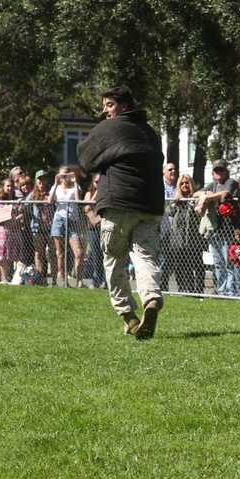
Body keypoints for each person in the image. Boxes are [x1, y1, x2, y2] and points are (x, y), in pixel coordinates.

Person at [77, 85, 165, 339]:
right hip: (150, 206)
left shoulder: (111, 127)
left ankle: (129, 316)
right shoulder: (150, 132)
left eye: (109, 105)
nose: (104, 110)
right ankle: (151, 298)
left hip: (119, 205)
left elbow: (85, 158)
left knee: (114, 260)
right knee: (145, 257)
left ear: (124, 106)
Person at [193, 159, 239, 296]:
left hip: (228, 229)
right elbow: (195, 194)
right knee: (218, 264)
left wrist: (210, 196)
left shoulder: (230, 182)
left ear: (226, 171)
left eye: (221, 170)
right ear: (213, 173)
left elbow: (226, 193)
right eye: (216, 170)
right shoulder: (211, 185)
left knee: (229, 262)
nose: (218, 172)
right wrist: (206, 195)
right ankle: (221, 289)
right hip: (214, 231)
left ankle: (231, 290)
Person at [164, 173, 205, 293]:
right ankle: (185, 289)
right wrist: (175, 203)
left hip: (194, 239)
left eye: (187, 183)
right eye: (182, 183)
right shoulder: (178, 200)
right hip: (179, 240)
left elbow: (200, 213)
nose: (185, 185)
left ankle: (198, 290)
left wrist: (192, 204)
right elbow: (168, 212)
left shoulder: (195, 198)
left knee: (198, 266)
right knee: (182, 266)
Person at [48, 166, 85, 287]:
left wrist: (76, 181)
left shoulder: (75, 187)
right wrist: (55, 183)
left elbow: (78, 200)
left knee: (78, 252)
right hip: (59, 219)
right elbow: (50, 201)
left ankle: (79, 281)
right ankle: (63, 281)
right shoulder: (57, 188)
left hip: (72, 220)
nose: (65, 178)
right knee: (60, 253)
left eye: (67, 175)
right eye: (62, 176)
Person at [27, 170, 55, 286]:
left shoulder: (50, 192)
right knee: (39, 254)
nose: (41, 181)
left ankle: (54, 281)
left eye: (44, 179)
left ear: (47, 180)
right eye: (39, 179)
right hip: (37, 229)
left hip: (51, 228)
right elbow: (25, 204)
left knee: (52, 254)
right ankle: (40, 279)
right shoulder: (33, 193)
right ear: (36, 181)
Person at [0, 178, 24, 283]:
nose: (9, 188)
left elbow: (22, 213)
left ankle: (17, 278)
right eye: (7, 186)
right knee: (3, 256)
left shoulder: (18, 200)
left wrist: (21, 214)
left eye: (11, 186)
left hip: (15, 230)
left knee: (17, 255)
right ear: (3, 187)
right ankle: (5, 278)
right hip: (4, 230)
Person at [83, 173, 106, 289]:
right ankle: (96, 279)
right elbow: (87, 207)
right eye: (97, 182)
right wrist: (97, 192)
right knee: (96, 255)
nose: (99, 184)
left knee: (105, 254)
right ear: (93, 183)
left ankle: (105, 281)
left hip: (104, 227)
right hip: (92, 228)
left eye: (101, 181)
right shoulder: (89, 193)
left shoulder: (106, 193)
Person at [159, 162, 179, 291]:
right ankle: (162, 287)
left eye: (175, 169)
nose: (173, 171)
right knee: (163, 260)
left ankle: (182, 288)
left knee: (177, 260)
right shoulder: (159, 186)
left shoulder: (180, 185)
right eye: (170, 169)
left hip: (177, 230)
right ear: (163, 173)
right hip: (163, 229)